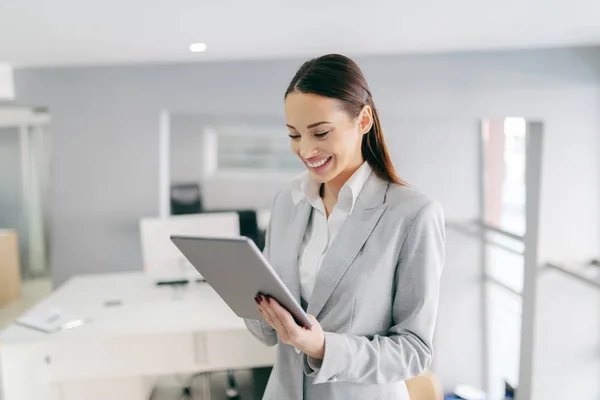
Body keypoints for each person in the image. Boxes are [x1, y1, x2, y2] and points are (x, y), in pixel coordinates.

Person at [244, 54, 445, 400]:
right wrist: (245, 293)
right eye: (294, 135)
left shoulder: (413, 214)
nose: (306, 150)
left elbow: (414, 350)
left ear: (363, 119)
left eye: (320, 132)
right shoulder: (286, 203)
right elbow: (267, 332)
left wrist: (323, 347)